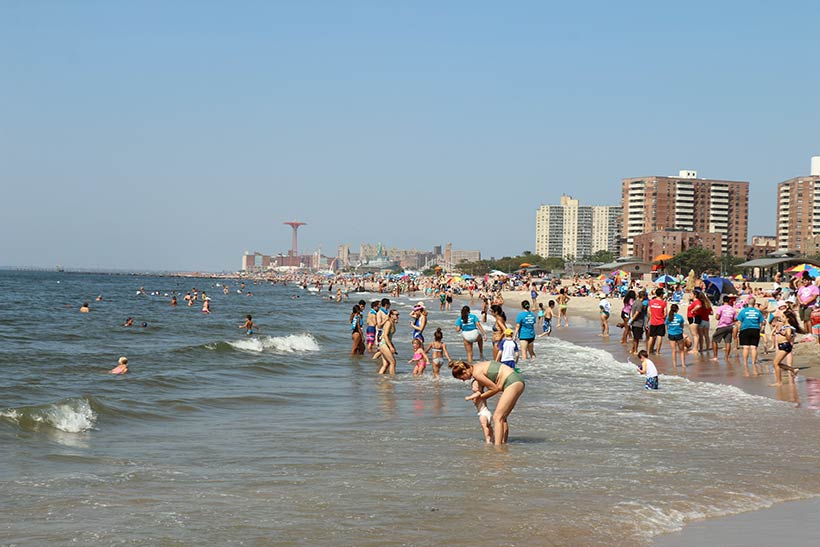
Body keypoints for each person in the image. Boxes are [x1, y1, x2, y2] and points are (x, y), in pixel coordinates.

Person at [449, 360, 525, 445]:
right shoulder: (478, 366)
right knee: (502, 417)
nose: (463, 380)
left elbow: (495, 389)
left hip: (512, 382)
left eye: (462, 378)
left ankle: (498, 448)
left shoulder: (476, 373)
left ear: (464, 372)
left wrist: (480, 398)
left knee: (497, 417)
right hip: (516, 380)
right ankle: (503, 444)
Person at [770, 308, 802, 386]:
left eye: (783, 317)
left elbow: (788, 338)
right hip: (782, 345)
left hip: (785, 346)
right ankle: (793, 370)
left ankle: (779, 382)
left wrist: (784, 333)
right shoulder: (785, 326)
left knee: (775, 363)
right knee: (777, 363)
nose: (781, 318)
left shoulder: (788, 327)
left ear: (787, 318)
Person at [736, 296, 765, 376]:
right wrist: (761, 328)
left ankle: (745, 362)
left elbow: (739, 322)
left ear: (747, 303)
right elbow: (762, 322)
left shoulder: (743, 311)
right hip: (755, 329)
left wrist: (739, 330)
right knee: (753, 347)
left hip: (745, 329)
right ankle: (753, 362)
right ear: (754, 303)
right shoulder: (757, 311)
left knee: (746, 347)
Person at [711, 295, 736, 362]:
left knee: (714, 340)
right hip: (730, 326)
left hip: (722, 326)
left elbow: (717, 317)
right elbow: (735, 319)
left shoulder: (721, 308)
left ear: (723, 301)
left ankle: (715, 357)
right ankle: (726, 357)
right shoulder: (732, 309)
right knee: (728, 342)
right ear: (729, 301)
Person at [471, 378, 494, 443]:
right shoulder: (482, 393)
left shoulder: (479, 393)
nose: (473, 388)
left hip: (483, 413)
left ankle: (488, 438)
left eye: (476, 386)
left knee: (484, 426)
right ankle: (492, 437)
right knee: (488, 426)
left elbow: (477, 394)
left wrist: (469, 398)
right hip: (487, 412)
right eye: (473, 386)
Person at [376, 310, 399, 374]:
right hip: (383, 344)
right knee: (393, 362)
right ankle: (392, 379)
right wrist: (391, 347)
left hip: (386, 344)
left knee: (386, 364)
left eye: (398, 315)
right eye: (396, 315)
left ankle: (380, 378)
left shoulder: (392, 323)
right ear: (391, 315)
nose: (397, 316)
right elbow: (385, 336)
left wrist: (393, 347)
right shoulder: (388, 323)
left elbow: (389, 338)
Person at [665, 304, 687, 369]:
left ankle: (674, 365)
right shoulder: (680, 317)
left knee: (673, 350)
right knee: (681, 350)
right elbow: (682, 325)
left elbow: (666, 325)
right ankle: (683, 364)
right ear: (677, 309)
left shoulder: (668, 317)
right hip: (679, 334)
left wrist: (668, 331)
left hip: (671, 334)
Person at [647, 288, 666, 354]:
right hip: (660, 321)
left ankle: (648, 351)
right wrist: (663, 318)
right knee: (659, 336)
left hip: (653, 321)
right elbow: (665, 313)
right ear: (661, 294)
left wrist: (651, 317)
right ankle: (658, 352)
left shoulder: (651, 301)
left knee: (651, 337)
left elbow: (649, 311)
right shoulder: (663, 303)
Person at [628, 290, 646, 355]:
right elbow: (637, 313)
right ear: (643, 296)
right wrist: (632, 320)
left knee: (635, 338)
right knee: (637, 338)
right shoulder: (640, 304)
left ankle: (632, 349)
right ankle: (635, 350)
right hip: (638, 323)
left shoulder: (635, 302)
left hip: (634, 323)